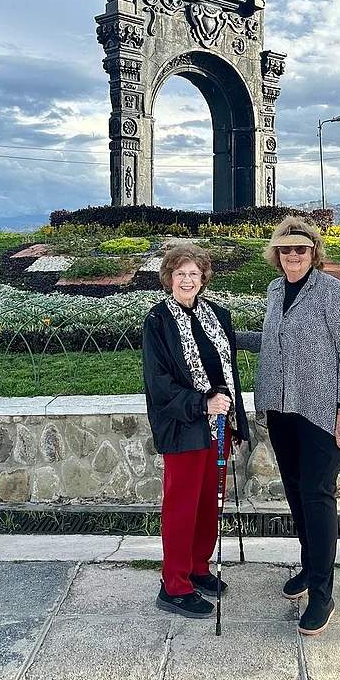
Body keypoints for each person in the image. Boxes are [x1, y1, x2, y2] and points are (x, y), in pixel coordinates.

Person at [238, 217, 340, 636]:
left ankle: (323, 594)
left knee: (316, 495)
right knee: (296, 495)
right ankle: (309, 570)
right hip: (281, 410)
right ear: (277, 253)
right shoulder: (275, 291)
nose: (293, 256)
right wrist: (228, 334)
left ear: (313, 252)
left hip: (321, 412)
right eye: (286, 249)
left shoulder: (330, 291)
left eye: (301, 249)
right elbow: (273, 340)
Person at [143, 243, 250, 619]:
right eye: (180, 273)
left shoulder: (217, 315)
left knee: (208, 502)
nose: (188, 279)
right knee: (181, 505)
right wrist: (201, 403)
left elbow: (229, 371)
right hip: (184, 425)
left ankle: (197, 567)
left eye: (194, 273)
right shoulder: (158, 321)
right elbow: (158, 382)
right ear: (169, 278)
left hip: (218, 426)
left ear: (203, 278)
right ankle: (174, 584)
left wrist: (231, 416)